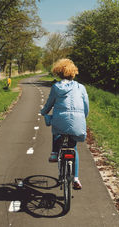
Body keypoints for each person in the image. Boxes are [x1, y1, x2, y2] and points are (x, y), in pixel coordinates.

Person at [41, 59, 89, 190]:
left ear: (59, 72)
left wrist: (43, 112)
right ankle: (76, 179)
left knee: (56, 129)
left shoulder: (56, 87)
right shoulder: (81, 87)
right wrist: (82, 118)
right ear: (73, 73)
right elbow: (86, 107)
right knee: (73, 148)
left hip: (60, 122)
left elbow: (49, 104)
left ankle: (54, 153)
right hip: (78, 122)